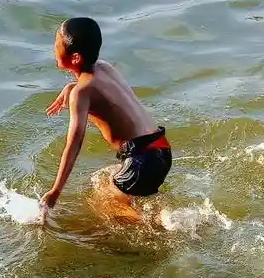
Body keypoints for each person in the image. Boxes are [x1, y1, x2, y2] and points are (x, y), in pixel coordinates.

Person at [40, 17, 171, 216]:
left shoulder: (81, 93)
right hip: (160, 149)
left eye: (56, 44)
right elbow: (106, 97)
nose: (53, 48)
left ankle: (161, 236)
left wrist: (55, 191)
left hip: (141, 160)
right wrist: (71, 86)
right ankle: (165, 221)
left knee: (104, 206)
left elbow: (74, 143)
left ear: (75, 57)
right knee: (106, 184)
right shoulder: (104, 67)